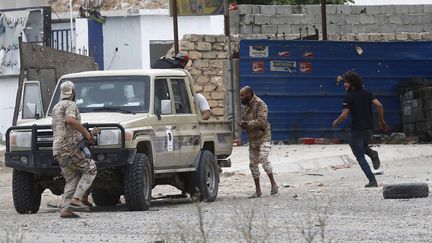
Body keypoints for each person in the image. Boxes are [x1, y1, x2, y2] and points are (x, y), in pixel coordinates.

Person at [332, 71, 388, 188]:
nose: (344, 85)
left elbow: (344, 115)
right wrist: (381, 120)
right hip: (369, 128)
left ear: (352, 84)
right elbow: (379, 105)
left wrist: (335, 123)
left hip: (357, 129)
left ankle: (372, 180)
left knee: (359, 154)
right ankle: (372, 153)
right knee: (361, 147)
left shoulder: (349, 97)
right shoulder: (367, 93)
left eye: (346, 83)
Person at [52, 81, 99, 218]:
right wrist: (85, 132)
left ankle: (66, 209)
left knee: (72, 177)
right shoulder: (70, 105)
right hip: (70, 147)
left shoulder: (56, 107)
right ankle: (77, 199)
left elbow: (56, 126)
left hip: (57, 149)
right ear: (73, 92)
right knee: (90, 169)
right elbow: (70, 120)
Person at [238, 86, 278, 198]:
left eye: (242, 95)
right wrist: (243, 124)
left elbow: (262, 122)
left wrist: (247, 124)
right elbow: (245, 120)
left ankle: (273, 184)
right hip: (253, 139)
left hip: (263, 136)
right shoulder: (244, 107)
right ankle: (258, 191)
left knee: (263, 159)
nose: (240, 97)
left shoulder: (261, 104)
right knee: (253, 164)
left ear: (249, 94)